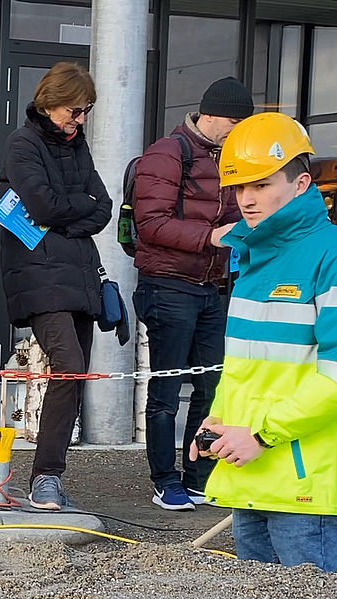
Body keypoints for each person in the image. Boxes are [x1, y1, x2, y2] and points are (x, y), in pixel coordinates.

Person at [193, 112, 337, 572]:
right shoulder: (254, 257)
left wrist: (262, 433)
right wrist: (219, 418)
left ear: (301, 184)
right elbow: (245, 364)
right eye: (241, 188)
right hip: (255, 467)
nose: (248, 199)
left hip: (308, 484)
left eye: (261, 185)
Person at [132, 76, 254, 511]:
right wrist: (212, 237)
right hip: (167, 285)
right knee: (165, 392)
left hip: (213, 288)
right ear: (211, 114)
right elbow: (151, 224)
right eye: (236, 122)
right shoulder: (167, 154)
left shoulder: (233, 157)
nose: (241, 132)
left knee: (211, 388)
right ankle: (165, 480)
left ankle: (198, 476)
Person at [0, 62, 112, 511]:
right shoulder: (22, 143)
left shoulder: (78, 145)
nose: (80, 120)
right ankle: (44, 477)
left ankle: (48, 475)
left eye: (85, 112)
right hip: (38, 275)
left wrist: (66, 215)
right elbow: (42, 206)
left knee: (75, 372)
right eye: (75, 110)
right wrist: (73, 211)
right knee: (68, 361)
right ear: (50, 103)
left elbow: (102, 207)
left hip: (79, 274)